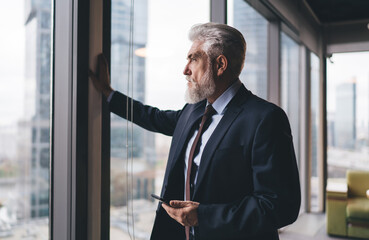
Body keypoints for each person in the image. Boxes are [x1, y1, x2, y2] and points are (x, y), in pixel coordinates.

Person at [89, 22, 300, 240]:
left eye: (194, 59)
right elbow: (153, 117)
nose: (185, 69)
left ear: (220, 65)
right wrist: (109, 94)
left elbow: (280, 205)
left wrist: (203, 216)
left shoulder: (265, 119)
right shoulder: (194, 110)